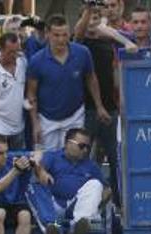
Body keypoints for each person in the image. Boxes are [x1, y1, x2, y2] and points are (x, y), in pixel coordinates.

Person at [26, 15, 109, 151]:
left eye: (64, 35)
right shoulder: (36, 61)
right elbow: (31, 94)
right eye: (56, 35)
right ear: (48, 34)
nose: (61, 39)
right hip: (47, 119)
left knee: (75, 155)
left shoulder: (82, 53)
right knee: (48, 160)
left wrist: (99, 106)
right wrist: (35, 123)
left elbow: (91, 78)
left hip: (74, 116)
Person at [28, 127, 109, 234]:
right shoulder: (53, 157)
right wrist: (41, 172)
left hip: (74, 209)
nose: (85, 150)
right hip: (53, 207)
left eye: (88, 147)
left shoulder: (91, 165)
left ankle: (77, 226)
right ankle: (52, 226)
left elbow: (106, 189)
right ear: (67, 143)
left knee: (96, 184)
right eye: (82, 146)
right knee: (34, 183)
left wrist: (101, 200)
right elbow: (37, 167)